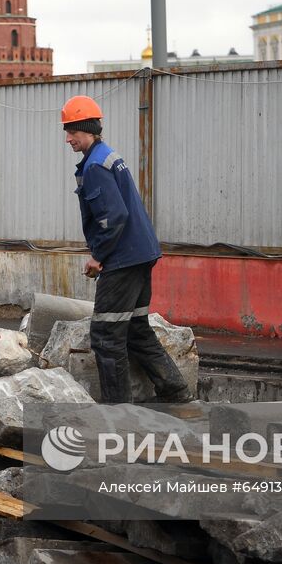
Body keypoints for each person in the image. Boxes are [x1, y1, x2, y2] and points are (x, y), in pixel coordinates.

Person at [61, 95, 191, 404]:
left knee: (106, 335)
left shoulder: (95, 166)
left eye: (71, 132)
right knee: (136, 329)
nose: (67, 139)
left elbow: (113, 217)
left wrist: (98, 257)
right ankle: (175, 390)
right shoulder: (107, 155)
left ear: (87, 129)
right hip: (141, 254)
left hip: (122, 259)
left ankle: (117, 413)